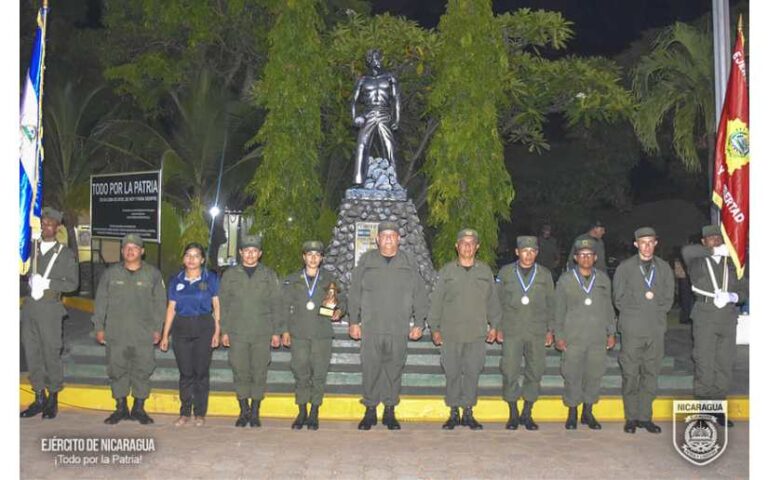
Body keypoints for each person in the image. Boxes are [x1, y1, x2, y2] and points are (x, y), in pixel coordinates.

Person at [348, 221, 428, 430]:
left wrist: (419, 322)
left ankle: (390, 411)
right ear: (377, 239)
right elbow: (354, 292)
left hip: (398, 328)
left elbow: (420, 294)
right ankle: (370, 410)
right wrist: (353, 322)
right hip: (371, 328)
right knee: (371, 370)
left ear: (398, 239)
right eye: (384, 236)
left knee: (394, 370)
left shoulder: (409, 263)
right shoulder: (367, 261)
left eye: (392, 235)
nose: (389, 239)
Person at [428, 229, 500, 430]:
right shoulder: (447, 272)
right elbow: (436, 303)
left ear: (477, 247)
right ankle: (453, 413)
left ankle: (468, 411)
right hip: (451, 334)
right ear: (457, 246)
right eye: (463, 243)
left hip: (476, 334)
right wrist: (434, 328)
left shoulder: (485, 272)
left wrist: (494, 325)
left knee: (472, 373)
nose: (467, 246)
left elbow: (493, 302)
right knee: (452, 373)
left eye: (471, 243)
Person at [92, 233, 166, 425]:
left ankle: (139, 408)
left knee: (142, 370)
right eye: (126, 247)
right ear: (122, 250)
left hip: (143, 333)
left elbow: (160, 304)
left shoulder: (153, 274)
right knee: (117, 369)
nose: (130, 250)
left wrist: (158, 328)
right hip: (116, 333)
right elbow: (101, 302)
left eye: (134, 247)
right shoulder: (110, 274)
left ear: (142, 251)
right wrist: (99, 327)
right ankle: (120, 407)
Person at [682, 225, 748, 428]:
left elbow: (745, 289)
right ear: (703, 242)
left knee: (724, 364)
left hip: (728, 317)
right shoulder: (697, 260)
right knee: (705, 364)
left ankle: (718, 410)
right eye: (710, 238)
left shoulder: (732, 263)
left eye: (718, 238)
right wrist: (714, 251)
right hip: (705, 316)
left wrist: (733, 296)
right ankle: (704, 411)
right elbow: (686, 251)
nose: (715, 241)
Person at [219, 234, 286, 427]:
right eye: (246, 251)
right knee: (240, 371)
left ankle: (255, 412)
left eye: (254, 251)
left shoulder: (268, 275)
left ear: (260, 254)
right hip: (237, 332)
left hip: (261, 332)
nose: (250, 254)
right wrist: (224, 331)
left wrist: (276, 331)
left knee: (259, 372)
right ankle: (243, 411)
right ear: (240, 253)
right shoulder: (230, 275)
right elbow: (224, 304)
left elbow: (277, 304)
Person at [612, 227, 674, 434]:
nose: (647, 246)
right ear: (636, 244)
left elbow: (668, 298)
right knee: (631, 374)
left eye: (651, 242)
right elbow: (618, 298)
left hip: (655, 328)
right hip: (632, 329)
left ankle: (645, 417)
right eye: (643, 242)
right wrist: (637, 313)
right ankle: (631, 418)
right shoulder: (626, 267)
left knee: (650, 374)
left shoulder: (664, 268)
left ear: (656, 243)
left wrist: (654, 312)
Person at [20, 207, 79, 419]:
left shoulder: (65, 254)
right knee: (32, 352)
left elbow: (73, 283)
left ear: (57, 227)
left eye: (50, 224)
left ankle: (52, 398)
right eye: (43, 223)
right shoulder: (29, 251)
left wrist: (48, 283)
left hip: (50, 309)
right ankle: (38, 396)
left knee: (51, 352)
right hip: (30, 309)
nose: (46, 227)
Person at [281, 241, 345, 430]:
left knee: (319, 373)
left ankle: (314, 411)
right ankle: (301, 411)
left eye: (317, 255)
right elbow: (283, 306)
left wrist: (339, 311)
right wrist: (284, 330)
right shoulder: (292, 280)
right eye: (310, 254)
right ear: (304, 257)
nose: (313, 258)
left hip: (321, 334)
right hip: (299, 333)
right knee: (301, 373)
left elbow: (343, 300)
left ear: (322, 258)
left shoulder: (329, 280)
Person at [554, 237, 616, 430]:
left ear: (595, 257)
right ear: (576, 257)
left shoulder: (603, 279)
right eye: (582, 255)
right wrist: (559, 335)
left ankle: (587, 413)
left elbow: (608, 308)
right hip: (573, 337)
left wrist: (611, 332)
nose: (586, 258)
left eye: (590, 255)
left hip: (597, 337)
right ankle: (572, 412)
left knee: (594, 375)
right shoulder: (565, 280)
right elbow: (558, 310)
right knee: (572, 375)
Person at [496, 236, 555, 431]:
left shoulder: (545, 275)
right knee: (510, 370)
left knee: (535, 370)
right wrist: (497, 326)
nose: (528, 255)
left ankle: (527, 413)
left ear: (536, 253)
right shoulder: (505, 273)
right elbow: (497, 302)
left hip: (536, 330)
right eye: (524, 251)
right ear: (517, 252)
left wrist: (550, 329)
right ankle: (513, 414)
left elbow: (551, 305)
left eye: (532, 251)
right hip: (512, 329)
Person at [159, 242, 221, 427]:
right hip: (181, 327)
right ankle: (185, 413)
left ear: (202, 259)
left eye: (196, 255)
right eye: (188, 255)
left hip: (204, 325)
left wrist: (217, 331)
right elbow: (171, 308)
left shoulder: (211, 278)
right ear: (183, 258)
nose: (191, 259)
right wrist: (165, 335)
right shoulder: (176, 280)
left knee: (201, 372)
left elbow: (217, 306)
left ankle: (200, 413)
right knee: (185, 373)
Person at [351, 48, 401, 185]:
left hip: (384, 114)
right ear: (369, 61)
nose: (377, 61)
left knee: (389, 145)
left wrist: (397, 119)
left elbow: (396, 99)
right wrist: (355, 117)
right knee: (362, 145)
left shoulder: (389, 78)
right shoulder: (363, 80)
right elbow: (354, 101)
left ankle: (393, 180)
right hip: (368, 114)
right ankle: (358, 180)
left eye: (378, 58)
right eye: (374, 59)